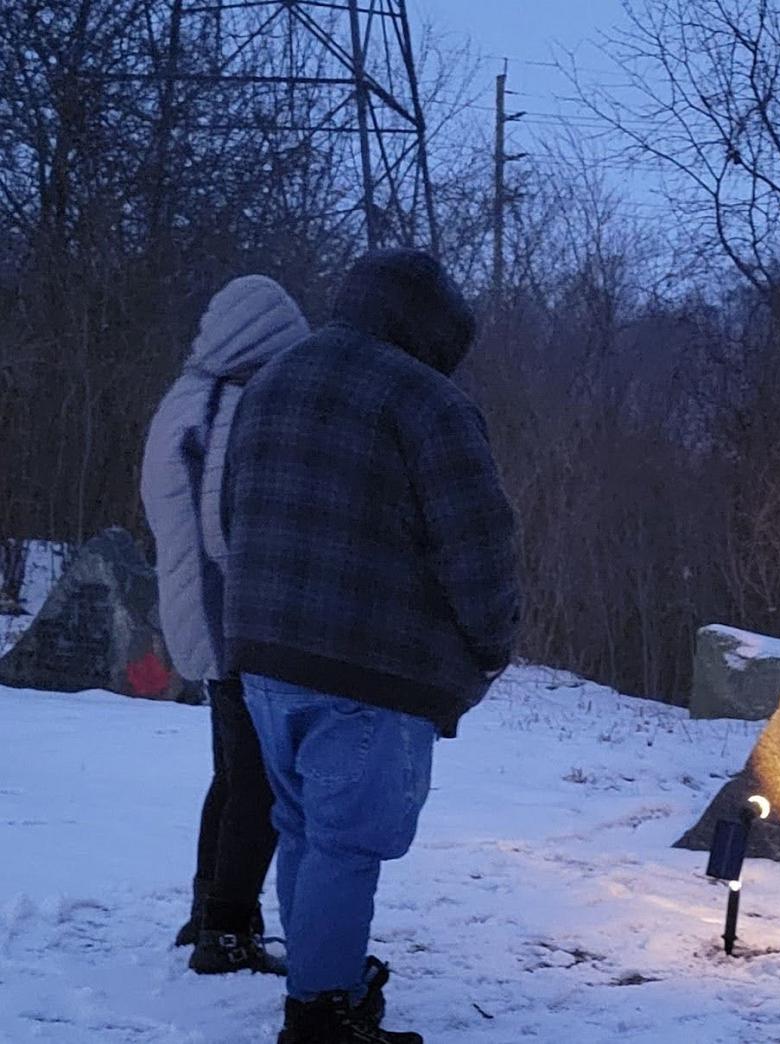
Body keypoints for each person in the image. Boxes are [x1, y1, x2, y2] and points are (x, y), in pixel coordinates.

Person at [223, 249, 519, 1044]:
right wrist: (491, 646)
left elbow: (232, 516)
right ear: (429, 329)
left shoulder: (270, 382)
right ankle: (322, 1017)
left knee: (304, 832)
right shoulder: (427, 401)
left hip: (264, 656)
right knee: (347, 846)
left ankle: (329, 985)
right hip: (370, 671)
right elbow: (479, 546)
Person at [141, 275, 310, 974]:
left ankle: (209, 914)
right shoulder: (228, 407)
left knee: (233, 775)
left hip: (201, 612)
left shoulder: (186, 396)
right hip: (233, 617)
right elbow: (224, 533)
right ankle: (227, 931)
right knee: (261, 782)